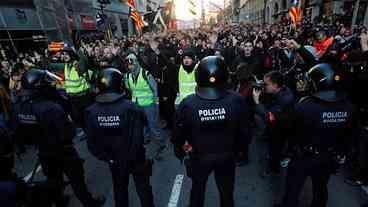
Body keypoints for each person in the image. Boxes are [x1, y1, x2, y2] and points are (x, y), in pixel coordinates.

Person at [13, 69, 104, 207]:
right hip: (63, 151)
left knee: (53, 180)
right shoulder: (52, 108)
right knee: (77, 180)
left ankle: (60, 202)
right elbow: (69, 133)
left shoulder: (20, 108)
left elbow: (21, 134)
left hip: (43, 152)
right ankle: (89, 203)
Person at [172, 56, 252, 207]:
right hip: (227, 156)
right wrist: (240, 151)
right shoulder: (236, 100)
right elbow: (245, 132)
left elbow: (178, 134)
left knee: (197, 191)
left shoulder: (188, 104)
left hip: (200, 157)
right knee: (226, 193)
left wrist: (180, 151)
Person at [276, 63, 354, 207]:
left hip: (304, 156)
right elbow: (350, 133)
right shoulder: (348, 106)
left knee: (293, 188)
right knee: (321, 187)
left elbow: (290, 128)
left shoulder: (306, 105)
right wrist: (342, 152)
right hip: (329, 155)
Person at [85, 68, 155, 207]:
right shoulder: (131, 108)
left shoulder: (91, 111)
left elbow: (91, 143)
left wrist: (107, 157)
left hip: (114, 160)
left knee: (120, 189)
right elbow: (140, 136)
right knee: (143, 189)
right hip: (136, 159)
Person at [253, 71, 295, 175]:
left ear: (275, 85)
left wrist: (257, 102)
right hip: (277, 129)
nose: (264, 86)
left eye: (266, 84)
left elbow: (269, 116)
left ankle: (274, 168)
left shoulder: (284, 99)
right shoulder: (279, 92)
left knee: (275, 150)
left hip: (280, 132)